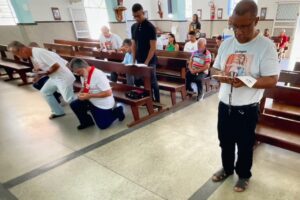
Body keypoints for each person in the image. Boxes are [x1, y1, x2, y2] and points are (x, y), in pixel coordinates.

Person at [211, 0, 279, 192]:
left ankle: (243, 175)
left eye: (245, 26)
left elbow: (272, 79)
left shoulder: (266, 46)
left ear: (256, 20)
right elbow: (215, 67)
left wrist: (248, 81)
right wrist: (220, 75)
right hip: (225, 105)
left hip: (247, 108)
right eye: (235, 26)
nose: (239, 32)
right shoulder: (226, 44)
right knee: (225, 141)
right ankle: (226, 168)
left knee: (245, 144)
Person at [8, 41, 76, 119]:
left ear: (22, 50)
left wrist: (44, 74)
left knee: (69, 99)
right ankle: (58, 112)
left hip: (63, 77)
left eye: (17, 54)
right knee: (45, 92)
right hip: (54, 77)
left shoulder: (39, 52)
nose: (19, 57)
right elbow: (44, 65)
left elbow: (56, 66)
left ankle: (87, 107)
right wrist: (38, 75)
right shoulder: (33, 54)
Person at [69, 58, 125, 130]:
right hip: (91, 100)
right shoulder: (83, 75)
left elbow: (108, 92)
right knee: (75, 104)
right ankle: (87, 122)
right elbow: (84, 87)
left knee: (103, 125)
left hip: (103, 103)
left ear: (82, 68)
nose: (77, 74)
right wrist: (80, 93)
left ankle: (118, 111)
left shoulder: (98, 75)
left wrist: (89, 96)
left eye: (78, 72)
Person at [131, 3, 160, 102]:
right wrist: (133, 60)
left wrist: (146, 62)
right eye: (134, 16)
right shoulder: (133, 27)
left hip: (150, 60)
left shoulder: (150, 27)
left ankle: (157, 101)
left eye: (138, 16)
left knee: (152, 81)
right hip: (139, 59)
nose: (136, 18)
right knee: (140, 80)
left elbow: (153, 47)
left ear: (143, 13)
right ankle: (148, 100)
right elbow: (133, 45)